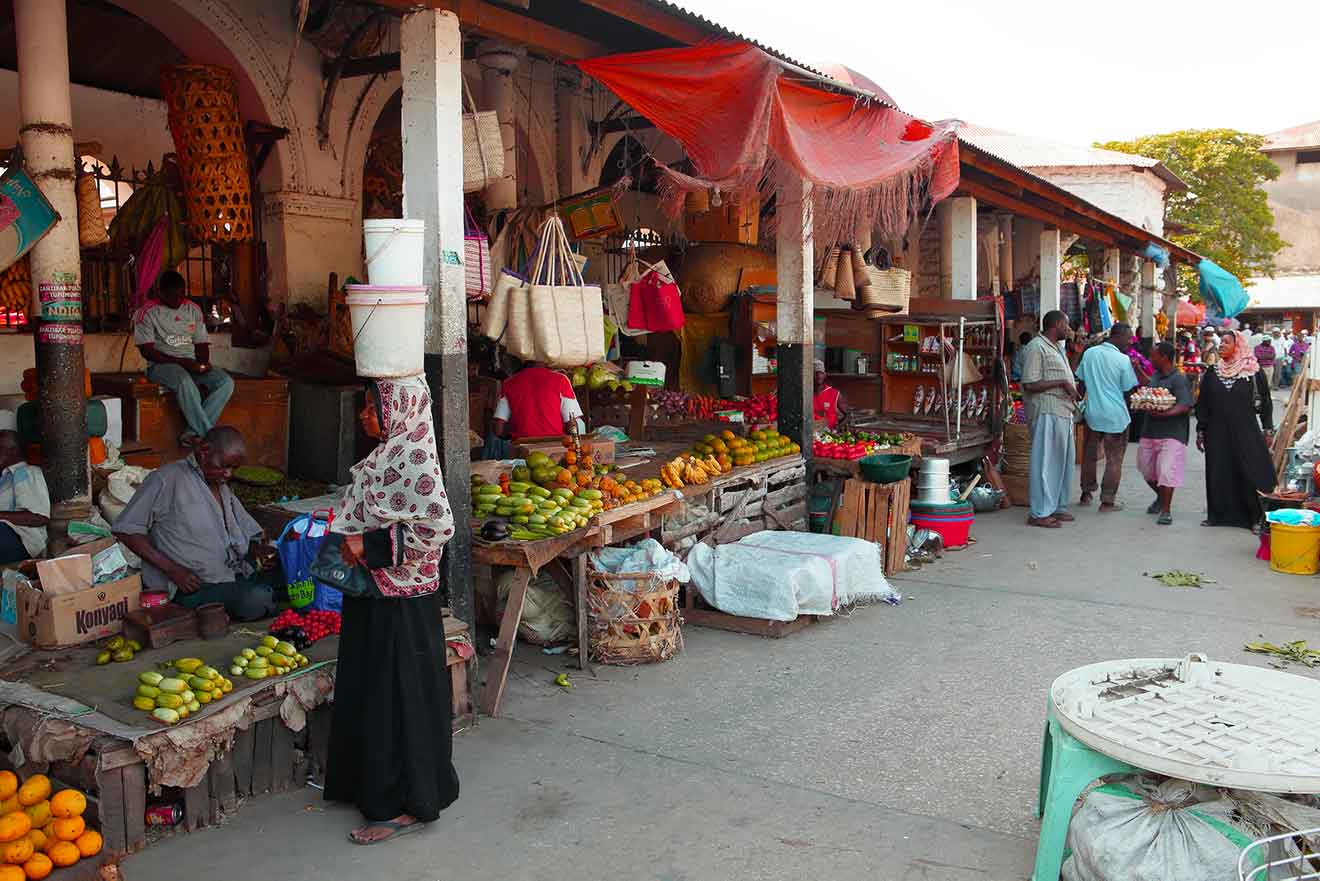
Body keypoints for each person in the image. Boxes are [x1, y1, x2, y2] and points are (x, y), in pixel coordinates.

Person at [324, 375, 459, 846]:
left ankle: (406, 805)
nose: (364, 416)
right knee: (369, 689)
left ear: (398, 411)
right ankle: (367, 786)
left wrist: (370, 543)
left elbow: (436, 528)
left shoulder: (416, 458)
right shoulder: (383, 457)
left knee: (399, 698)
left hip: (404, 601)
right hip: (372, 592)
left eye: (371, 408)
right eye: (365, 407)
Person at [113, 426, 279, 620]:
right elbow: (126, 530)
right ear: (204, 451)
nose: (228, 474)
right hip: (193, 587)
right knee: (255, 599)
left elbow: (248, 534)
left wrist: (259, 550)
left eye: (233, 468)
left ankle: (263, 595)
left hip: (234, 575)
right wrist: (172, 569)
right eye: (223, 466)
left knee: (297, 576)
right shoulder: (166, 479)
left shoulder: (222, 488)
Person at [134, 270, 234, 445]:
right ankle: (208, 437)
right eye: (173, 296)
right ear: (161, 293)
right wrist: (183, 363)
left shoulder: (192, 309)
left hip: (191, 364)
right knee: (184, 381)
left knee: (225, 382)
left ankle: (192, 433)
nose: (178, 300)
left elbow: (201, 344)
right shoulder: (147, 312)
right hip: (160, 366)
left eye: (181, 294)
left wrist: (203, 363)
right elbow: (147, 351)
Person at [1195, 330, 1276, 530]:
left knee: (1249, 471)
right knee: (1218, 470)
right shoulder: (1213, 372)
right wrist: (1201, 429)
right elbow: (1203, 403)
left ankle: (1253, 518)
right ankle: (1217, 516)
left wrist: (1268, 429)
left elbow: (1265, 402)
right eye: (1220, 342)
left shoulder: (1252, 371)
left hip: (1246, 430)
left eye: (1226, 342)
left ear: (1238, 345)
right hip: (1216, 432)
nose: (1221, 345)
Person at [1019, 310, 1080, 528]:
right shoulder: (1036, 347)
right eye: (1066, 324)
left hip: (1063, 410)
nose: (1069, 329)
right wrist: (1061, 384)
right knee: (1045, 462)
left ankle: (1057, 506)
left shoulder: (1057, 348)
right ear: (1056, 324)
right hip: (1046, 410)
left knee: (1064, 462)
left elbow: (1066, 375)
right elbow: (1030, 383)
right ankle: (1039, 512)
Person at [1075, 322, 1139, 512]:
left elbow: (1081, 383)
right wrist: (1131, 409)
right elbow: (1129, 390)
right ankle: (1107, 500)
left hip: (1093, 413)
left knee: (1089, 455)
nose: (1130, 342)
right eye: (1128, 338)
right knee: (1114, 459)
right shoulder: (1122, 360)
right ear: (1117, 336)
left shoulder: (1090, 353)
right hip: (1115, 416)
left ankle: (1086, 493)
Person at [1139, 343, 1194, 526]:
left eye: (1153, 356)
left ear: (1163, 357)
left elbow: (1185, 405)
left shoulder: (1179, 379)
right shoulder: (1155, 376)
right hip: (1150, 431)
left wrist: (1165, 414)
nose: (1150, 359)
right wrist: (1138, 370)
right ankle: (1160, 498)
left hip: (1172, 433)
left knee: (1166, 470)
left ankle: (1166, 510)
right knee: (1146, 469)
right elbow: (1150, 387)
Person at [490, 361, 583, 440]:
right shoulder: (561, 380)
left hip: (521, 448)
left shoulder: (509, 383)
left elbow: (499, 429)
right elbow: (572, 426)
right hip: (555, 446)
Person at [0, 431, 49, 563]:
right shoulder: (4, 477)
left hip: (22, 539)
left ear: (13, 451)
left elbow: (39, 518)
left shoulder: (28, 472)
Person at [812, 360, 848, 429]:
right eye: (816, 373)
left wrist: (838, 427)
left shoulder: (835, 394)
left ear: (825, 375)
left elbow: (847, 415)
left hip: (829, 435)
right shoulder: (806, 394)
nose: (819, 376)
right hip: (811, 435)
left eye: (821, 373)